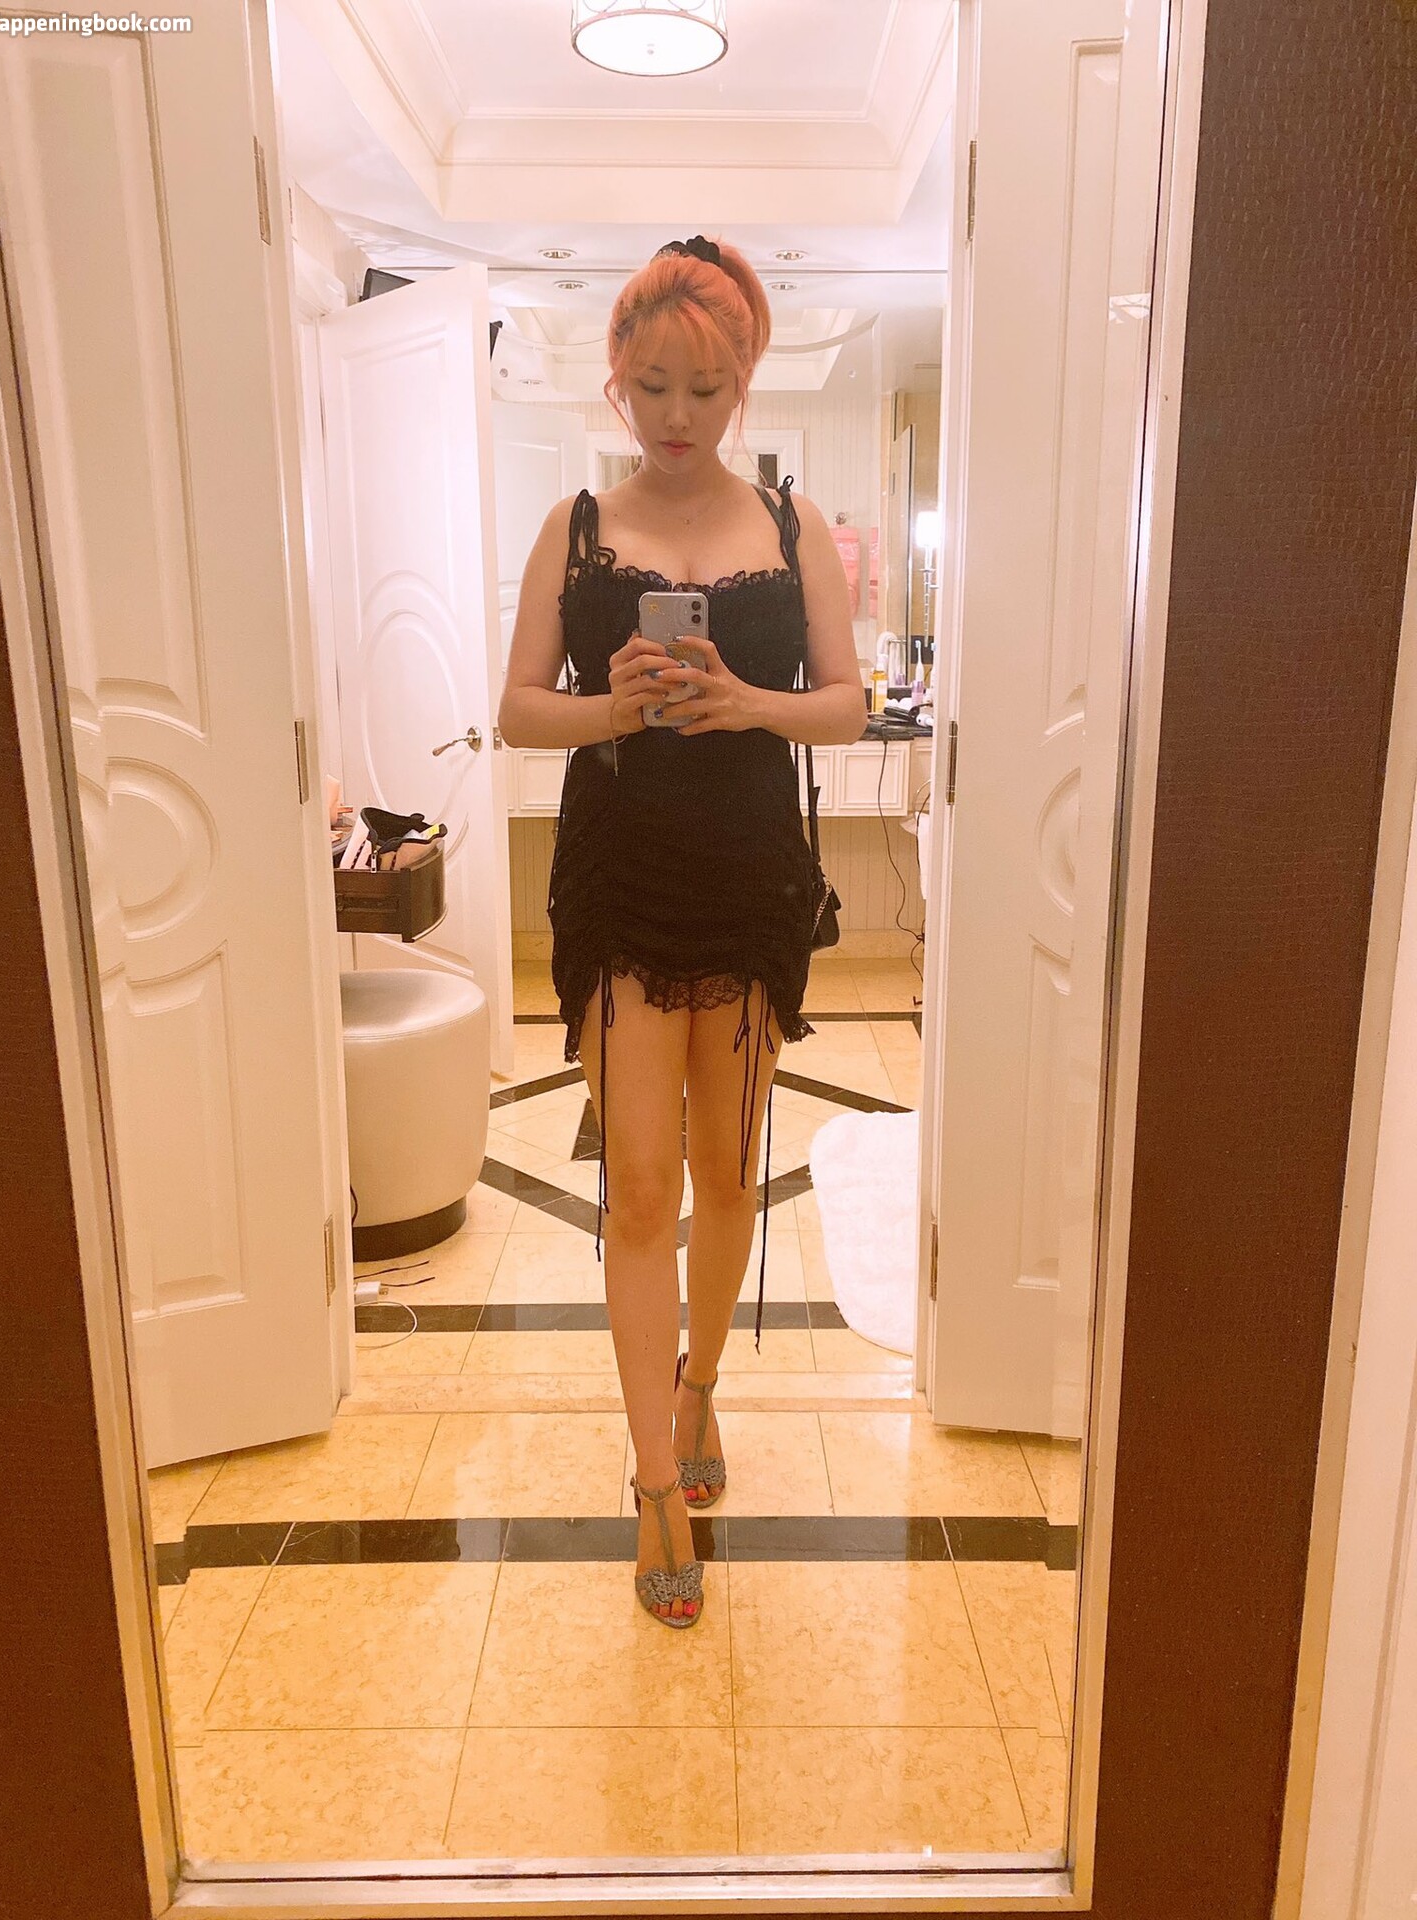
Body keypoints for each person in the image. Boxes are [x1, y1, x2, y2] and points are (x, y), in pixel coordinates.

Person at [497, 236, 867, 1629]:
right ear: (616, 375)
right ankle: (655, 1477)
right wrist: (622, 706)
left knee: (728, 1167)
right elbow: (517, 709)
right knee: (642, 1186)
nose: (675, 414)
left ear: (743, 382)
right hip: (621, 877)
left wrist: (744, 704)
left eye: (704, 390)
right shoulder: (576, 526)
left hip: (751, 877)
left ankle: (700, 1382)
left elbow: (847, 701)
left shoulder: (793, 525)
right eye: (651, 385)